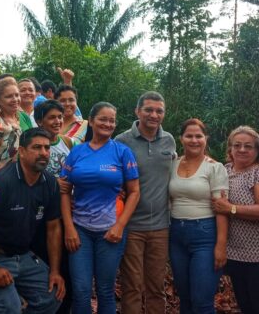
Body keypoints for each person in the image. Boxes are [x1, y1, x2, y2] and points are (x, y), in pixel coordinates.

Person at [0, 127, 65, 313]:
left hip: (23, 255)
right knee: (9, 308)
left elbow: (53, 228)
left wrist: (55, 271)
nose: (43, 153)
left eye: (47, 148)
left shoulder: (50, 182)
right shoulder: (0, 182)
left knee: (52, 295)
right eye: (37, 147)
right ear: (22, 152)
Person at [60, 102, 140, 314]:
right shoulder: (77, 152)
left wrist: (120, 226)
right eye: (103, 119)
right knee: (81, 290)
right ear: (92, 121)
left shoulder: (122, 152)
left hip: (110, 231)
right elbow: (64, 190)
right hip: (80, 231)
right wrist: (69, 228)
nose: (108, 124)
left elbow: (134, 192)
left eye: (112, 120)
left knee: (105, 290)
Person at [116, 91, 176, 314]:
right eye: (148, 110)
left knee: (156, 286)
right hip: (130, 226)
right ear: (137, 111)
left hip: (161, 226)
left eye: (159, 111)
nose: (154, 115)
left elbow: (177, 164)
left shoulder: (168, 140)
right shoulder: (122, 141)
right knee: (132, 287)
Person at [212, 126, 259, 314]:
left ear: (258, 151)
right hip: (235, 252)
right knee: (245, 305)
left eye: (248, 146)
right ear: (230, 149)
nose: (242, 150)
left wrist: (231, 209)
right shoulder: (224, 170)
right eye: (237, 145)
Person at [169, 118, 229, 314]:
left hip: (205, 235)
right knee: (185, 298)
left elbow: (221, 208)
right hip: (176, 234)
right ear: (181, 139)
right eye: (189, 136)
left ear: (206, 139)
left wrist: (220, 245)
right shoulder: (173, 164)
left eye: (198, 136)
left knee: (202, 300)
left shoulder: (214, 167)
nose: (194, 140)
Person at [32, 100, 74, 313]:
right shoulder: (34, 143)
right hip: (40, 214)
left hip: (66, 213)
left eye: (60, 117)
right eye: (51, 117)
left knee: (66, 269)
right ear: (39, 121)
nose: (57, 121)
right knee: (45, 264)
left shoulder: (67, 142)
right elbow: (27, 172)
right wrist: (51, 181)